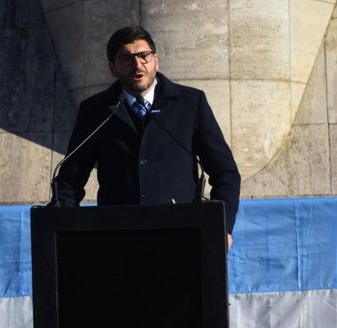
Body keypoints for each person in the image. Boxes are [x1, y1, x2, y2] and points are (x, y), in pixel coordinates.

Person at [53, 25, 241, 246]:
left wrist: (222, 225)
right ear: (112, 68)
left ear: (156, 60)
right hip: (116, 240)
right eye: (126, 58)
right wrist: (65, 231)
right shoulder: (95, 111)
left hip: (183, 237)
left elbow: (225, 172)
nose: (137, 65)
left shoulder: (190, 103)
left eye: (144, 56)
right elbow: (68, 182)